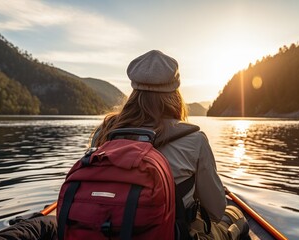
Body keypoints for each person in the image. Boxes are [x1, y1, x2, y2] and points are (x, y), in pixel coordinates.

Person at [91, 50, 249, 240]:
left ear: (133, 91)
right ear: (175, 93)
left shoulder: (105, 133)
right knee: (234, 215)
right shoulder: (195, 140)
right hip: (174, 235)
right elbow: (216, 210)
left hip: (109, 230)